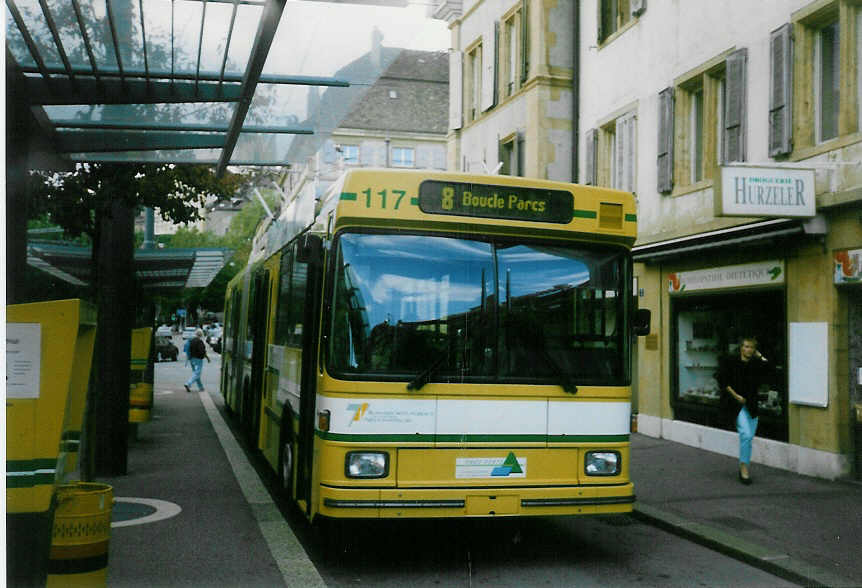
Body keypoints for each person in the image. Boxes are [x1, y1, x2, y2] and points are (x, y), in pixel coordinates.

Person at [716, 336, 772, 485]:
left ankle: (743, 464)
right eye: (746, 346)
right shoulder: (732, 362)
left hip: (752, 404)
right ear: (741, 348)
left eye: (751, 347)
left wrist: (760, 356)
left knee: (748, 437)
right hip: (736, 404)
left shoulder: (755, 364)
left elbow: (770, 368)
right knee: (746, 435)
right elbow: (722, 380)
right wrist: (736, 396)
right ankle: (744, 469)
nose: (748, 350)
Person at [184, 329, 210, 393]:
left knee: (196, 374)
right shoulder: (200, 341)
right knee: (197, 373)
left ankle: (201, 387)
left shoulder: (191, 341)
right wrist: (207, 357)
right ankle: (188, 384)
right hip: (198, 359)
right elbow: (202, 351)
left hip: (191, 359)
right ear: (201, 335)